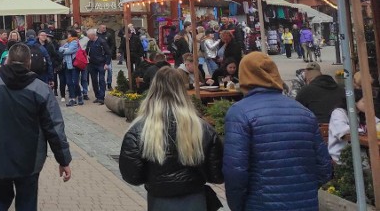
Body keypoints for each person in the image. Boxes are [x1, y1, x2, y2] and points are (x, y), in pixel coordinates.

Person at [0, 43, 72, 210]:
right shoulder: (41, 89)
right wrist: (63, 159)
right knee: (27, 203)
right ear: (29, 62)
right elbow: (55, 127)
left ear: (7, 60)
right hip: (30, 159)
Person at [223, 52, 332, 211]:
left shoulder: (239, 113)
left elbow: (235, 172)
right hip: (304, 203)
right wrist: (303, 190)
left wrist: (236, 206)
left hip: (261, 203)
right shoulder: (304, 112)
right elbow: (324, 167)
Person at [120, 67, 223, 210]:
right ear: (182, 90)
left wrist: (154, 177)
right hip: (195, 199)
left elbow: (131, 175)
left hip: (159, 200)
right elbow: (217, 174)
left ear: (153, 89)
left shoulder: (139, 130)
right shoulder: (202, 128)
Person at [328, 90, 379, 163]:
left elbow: (377, 123)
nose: (368, 104)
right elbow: (341, 130)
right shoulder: (339, 113)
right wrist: (362, 131)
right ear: (354, 101)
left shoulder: (363, 114)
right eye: (364, 101)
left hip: (362, 153)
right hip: (342, 154)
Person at [84, 28, 110, 104]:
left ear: (93, 35)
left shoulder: (102, 42)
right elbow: (86, 51)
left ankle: (102, 97)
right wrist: (87, 56)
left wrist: (106, 63)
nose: (88, 37)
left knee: (101, 80)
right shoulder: (89, 42)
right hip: (92, 64)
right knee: (94, 80)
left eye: (89, 36)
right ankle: (97, 96)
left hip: (101, 64)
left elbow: (108, 53)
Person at [60, 30, 83, 106]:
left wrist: (65, 50)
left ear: (72, 35)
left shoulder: (75, 42)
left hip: (74, 64)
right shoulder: (68, 42)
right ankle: (72, 98)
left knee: (75, 82)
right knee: (69, 82)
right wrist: (65, 49)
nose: (67, 35)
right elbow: (60, 49)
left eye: (69, 34)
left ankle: (79, 95)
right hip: (67, 64)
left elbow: (69, 51)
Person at [97, 25, 116, 90]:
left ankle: (109, 84)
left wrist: (110, 52)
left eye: (105, 28)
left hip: (107, 55)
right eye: (103, 28)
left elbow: (113, 44)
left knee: (109, 70)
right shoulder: (97, 35)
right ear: (99, 28)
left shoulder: (109, 35)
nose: (104, 29)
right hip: (100, 56)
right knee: (101, 70)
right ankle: (102, 84)